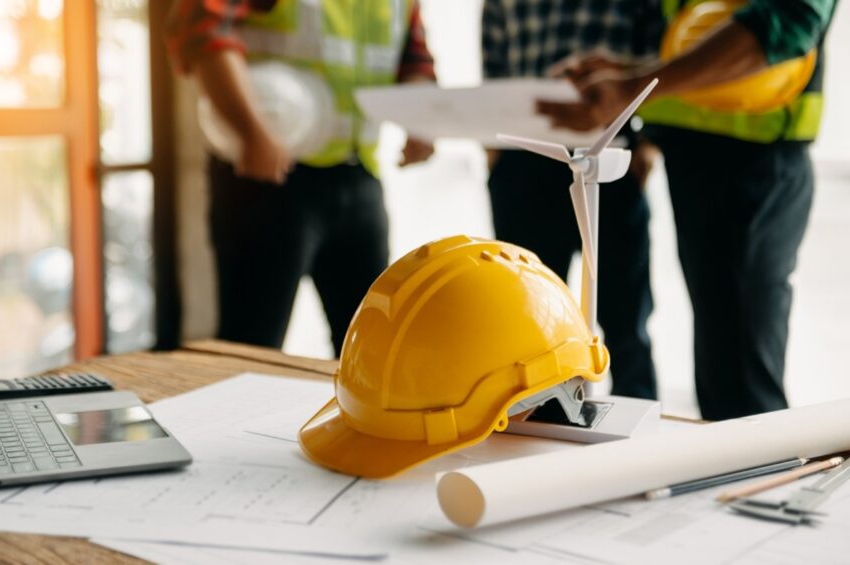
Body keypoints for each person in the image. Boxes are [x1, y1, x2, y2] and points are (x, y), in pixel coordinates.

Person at [540, 0, 838, 419]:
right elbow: (699, 33)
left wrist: (634, 85)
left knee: (742, 380)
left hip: (755, 162)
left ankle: (756, 480)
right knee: (721, 368)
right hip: (697, 159)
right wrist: (632, 72)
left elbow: (784, 23)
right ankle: (731, 476)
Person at [166, 0, 437, 355]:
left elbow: (414, 58)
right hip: (267, 181)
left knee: (372, 353)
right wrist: (252, 133)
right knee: (250, 350)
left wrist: (423, 121)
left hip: (359, 177)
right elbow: (201, 30)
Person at [481, 0, 662, 399]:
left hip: (609, 157)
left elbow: (656, 51)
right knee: (528, 320)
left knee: (625, 317)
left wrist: (649, 143)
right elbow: (493, 62)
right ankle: (534, 428)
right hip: (524, 161)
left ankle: (641, 441)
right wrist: (493, 151)